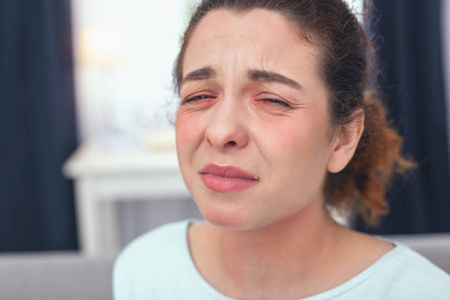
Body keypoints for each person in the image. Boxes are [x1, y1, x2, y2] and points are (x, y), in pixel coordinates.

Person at [113, 0, 450, 299]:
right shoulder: (143, 271)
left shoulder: (419, 292)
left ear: (344, 137)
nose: (220, 131)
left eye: (272, 99)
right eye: (199, 96)